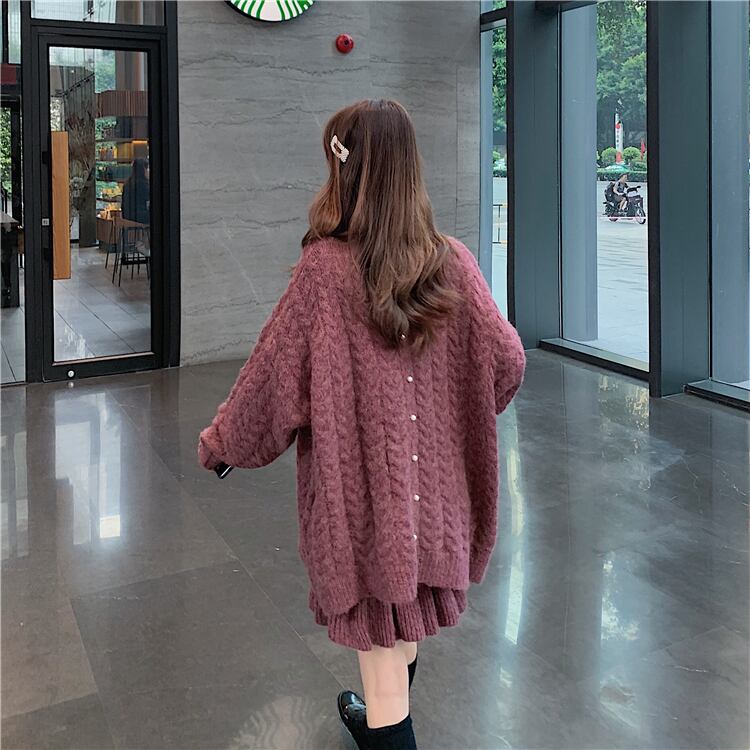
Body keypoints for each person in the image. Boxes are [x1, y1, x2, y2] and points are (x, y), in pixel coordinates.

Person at [197, 99, 526, 750]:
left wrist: (223, 444)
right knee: (401, 638)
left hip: (365, 521)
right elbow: (508, 361)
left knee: (384, 684)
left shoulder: (325, 272)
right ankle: (378, 718)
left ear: (346, 169)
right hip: (438, 513)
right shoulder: (454, 261)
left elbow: (270, 379)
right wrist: (454, 413)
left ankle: (383, 724)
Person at [121, 157, 150, 225]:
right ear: (144, 170)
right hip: (139, 217)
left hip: (126, 217)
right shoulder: (143, 184)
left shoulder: (128, 183)